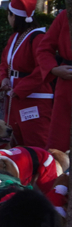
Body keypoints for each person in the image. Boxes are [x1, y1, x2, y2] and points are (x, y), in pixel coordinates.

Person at [0, 0, 50, 149]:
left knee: (36, 142)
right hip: (15, 99)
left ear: (14, 16)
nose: (8, 18)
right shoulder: (14, 38)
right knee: (14, 144)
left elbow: (43, 69)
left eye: (9, 14)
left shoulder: (38, 38)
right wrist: (4, 79)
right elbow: (4, 63)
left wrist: (20, 89)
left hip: (34, 100)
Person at [36, 8, 72, 152]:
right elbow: (44, 48)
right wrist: (54, 69)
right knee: (59, 143)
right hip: (67, 83)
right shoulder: (65, 15)